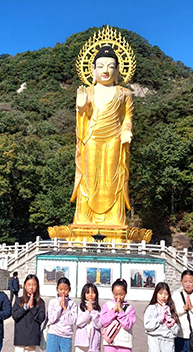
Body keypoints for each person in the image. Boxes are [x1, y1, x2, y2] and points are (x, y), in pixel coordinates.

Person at [72, 44, 133, 226]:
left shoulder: (125, 93)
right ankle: (84, 219)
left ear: (117, 71)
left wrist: (127, 130)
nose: (105, 71)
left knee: (113, 177)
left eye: (110, 66)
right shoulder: (87, 92)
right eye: (100, 66)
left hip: (114, 138)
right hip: (91, 138)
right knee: (89, 177)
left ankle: (114, 219)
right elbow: (82, 119)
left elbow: (127, 117)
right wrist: (81, 108)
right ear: (93, 70)